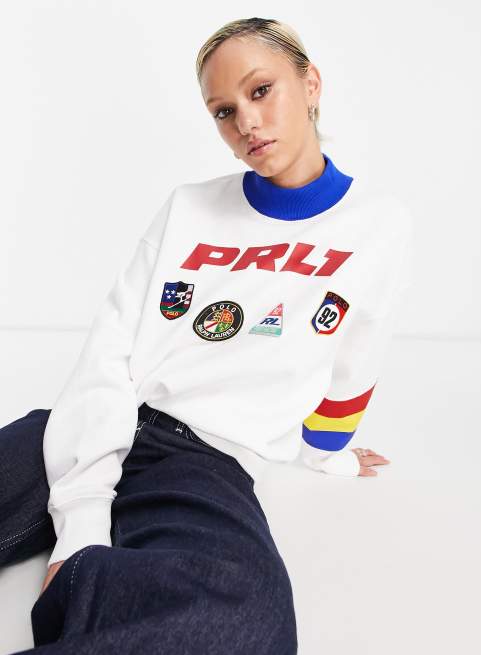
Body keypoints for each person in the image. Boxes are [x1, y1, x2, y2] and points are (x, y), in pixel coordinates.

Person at [0, 16, 412, 655]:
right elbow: (111, 348)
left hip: (203, 463)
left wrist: (329, 453)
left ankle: (97, 591)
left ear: (310, 83)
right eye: (223, 111)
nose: (246, 122)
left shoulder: (377, 225)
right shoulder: (189, 208)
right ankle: (94, 574)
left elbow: (355, 360)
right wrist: (81, 524)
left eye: (260, 90)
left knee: (248, 622)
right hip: (93, 426)